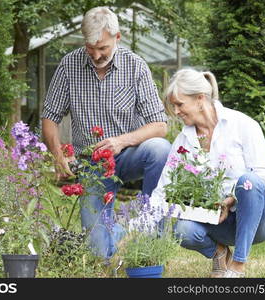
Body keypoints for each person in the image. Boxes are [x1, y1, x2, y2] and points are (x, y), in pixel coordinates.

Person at [41, 6, 171, 258]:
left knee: (160, 149)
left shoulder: (136, 66)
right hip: (92, 164)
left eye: (103, 48)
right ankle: (119, 231)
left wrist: (121, 141)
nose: (96, 55)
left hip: (129, 154)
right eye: (91, 49)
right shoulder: (69, 65)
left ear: (117, 38)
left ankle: (151, 230)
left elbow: (160, 125)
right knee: (98, 252)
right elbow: (50, 116)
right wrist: (57, 154)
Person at [148, 68, 265, 278]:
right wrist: (144, 220)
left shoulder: (243, 125)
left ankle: (238, 266)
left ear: (200, 99)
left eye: (180, 104)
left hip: (259, 221)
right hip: (217, 221)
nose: (176, 111)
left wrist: (230, 201)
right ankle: (219, 253)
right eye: (173, 105)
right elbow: (164, 186)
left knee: (249, 181)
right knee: (183, 230)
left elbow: (262, 176)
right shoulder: (183, 140)